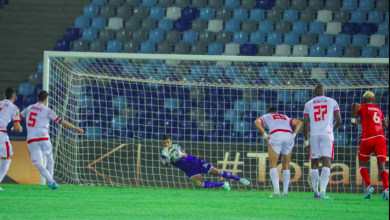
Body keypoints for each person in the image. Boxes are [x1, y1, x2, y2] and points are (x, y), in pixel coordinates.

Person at [20, 90, 84, 189]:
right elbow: (62, 122)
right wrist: (76, 128)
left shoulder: (29, 108)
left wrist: (13, 126)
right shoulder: (48, 110)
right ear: (46, 99)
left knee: (39, 164)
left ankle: (52, 181)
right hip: (44, 137)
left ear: (37, 98)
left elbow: (19, 117)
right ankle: (51, 181)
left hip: (32, 139)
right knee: (50, 157)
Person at [160, 135, 250, 191]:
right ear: (162, 144)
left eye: (168, 142)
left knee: (217, 172)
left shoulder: (177, 147)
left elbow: (185, 155)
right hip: (189, 171)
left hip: (196, 162)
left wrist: (178, 154)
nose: (167, 144)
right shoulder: (163, 155)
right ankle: (223, 184)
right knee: (199, 184)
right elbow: (166, 165)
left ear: (170, 141)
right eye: (164, 143)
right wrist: (168, 159)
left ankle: (239, 179)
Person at [254, 107, 303, 198]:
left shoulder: (267, 116)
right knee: (286, 165)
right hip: (289, 135)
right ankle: (285, 193)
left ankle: (276, 192)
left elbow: (257, 122)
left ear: (269, 112)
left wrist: (266, 135)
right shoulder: (285, 117)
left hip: (276, 135)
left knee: (273, 164)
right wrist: (294, 135)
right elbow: (300, 122)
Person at [303, 85, 342, 199]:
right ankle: (323, 192)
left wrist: (306, 141)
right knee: (326, 162)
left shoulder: (308, 104)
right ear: (324, 92)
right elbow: (339, 121)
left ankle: (315, 193)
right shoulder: (332, 102)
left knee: (314, 164)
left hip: (314, 135)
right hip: (327, 135)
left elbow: (306, 123)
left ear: (314, 93)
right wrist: (330, 129)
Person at [351, 91, 389, 201]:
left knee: (362, 163)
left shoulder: (363, 107)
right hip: (380, 139)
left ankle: (368, 186)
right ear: (373, 101)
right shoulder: (378, 109)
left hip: (368, 139)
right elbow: (385, 125)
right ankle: (386, 189)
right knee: (381, 166)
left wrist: (353, 121)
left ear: (363, 100)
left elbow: (354, 105)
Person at [0, 88, 23, 191]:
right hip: (1, 134)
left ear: (4, 96)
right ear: (14, 97)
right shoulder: (14, 108)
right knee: (7, 159)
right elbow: (17, 127)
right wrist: (18, 128)